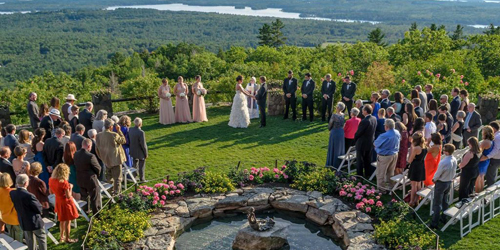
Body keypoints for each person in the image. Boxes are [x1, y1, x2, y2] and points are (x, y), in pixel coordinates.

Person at [10, 174, 47, 250]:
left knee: (30, 240)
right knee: (41, 239)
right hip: (34, 221)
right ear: (26, 183)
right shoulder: (29, 195)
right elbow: (38, 208)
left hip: (23, 221)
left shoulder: (12, 193)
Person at [49, 164, 79, 243]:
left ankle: (62, 236)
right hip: (66, 203)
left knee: (61, 220)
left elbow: (51, 192)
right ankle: (67, 239)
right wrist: (71, 188)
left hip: (58, 201)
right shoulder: (64, 183)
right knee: (68, 221)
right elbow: (68, 196)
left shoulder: (51, 180)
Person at [429, 144, 457, 230]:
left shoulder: (444, 162)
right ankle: (444, 218)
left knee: (437, 203)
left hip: (441, 182)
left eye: (444, 150)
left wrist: (434, 179)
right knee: (445, 201)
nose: (443, 151)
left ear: (447, 152)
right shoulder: (454, 159)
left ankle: (434, 223)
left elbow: (438, 174)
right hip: (448, 181)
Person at [96, 118, 126, 194]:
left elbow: (97, 149)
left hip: (106, 159)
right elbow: (123, 140)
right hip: (116, 160)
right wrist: (119, 130)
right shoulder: (114, 134)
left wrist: (102, 158)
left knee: (109, 177)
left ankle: (110, 190)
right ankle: (117, 193)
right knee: (118, 178)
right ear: (111, 127)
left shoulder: (98, 135)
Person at [74, 139, 102, 214]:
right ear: (89, 146)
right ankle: (96, 214)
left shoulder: (76, 154)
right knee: (95, 197)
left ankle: (85, 210)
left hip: (80, 178)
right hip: (90, 179)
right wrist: (96, 175)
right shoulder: (90, 156)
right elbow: (98, 168)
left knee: (84, 196)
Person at [374, 119, 400, 193]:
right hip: (394, 154)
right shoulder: (397, 132)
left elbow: (375, 144)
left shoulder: (384, 135)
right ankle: (390, 187)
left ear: (387, 126)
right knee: (390, 172)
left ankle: (381, 189)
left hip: (384, 156)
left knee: (380, 173)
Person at [354, 105, 377, 178]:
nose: (362, 111)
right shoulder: (374, 118)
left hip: (362, 143)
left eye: (363, 110)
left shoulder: (364, 121)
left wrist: (355, 138)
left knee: (360, 160)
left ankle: (359, 175)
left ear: (366, 111)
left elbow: (358, 133)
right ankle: (367, 173)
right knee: (368, 159)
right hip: (370, 142)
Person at [0, 173, 23, 242]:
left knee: (11, 235)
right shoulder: (14, 191)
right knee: (19, 235)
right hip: (16, 219)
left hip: (5, 218)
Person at [458, 137, 481, 204]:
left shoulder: (470, 153)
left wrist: (459, 166)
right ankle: (469, 200)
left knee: (463, 188)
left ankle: (462, 202)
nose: (468, 145)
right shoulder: (479, 151)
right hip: (475, 171)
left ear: (471, 144)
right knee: (470, 187)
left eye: (469, 144)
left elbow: (463, 164)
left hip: (467, 172)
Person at [408, 132, 427, 207]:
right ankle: (417, 200)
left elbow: (410, 160)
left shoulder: (416, 148)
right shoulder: (424, 146)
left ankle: (412, 201)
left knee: (413, 186)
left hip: (415, 166)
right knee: (419, 184)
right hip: (421, 165)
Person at [326, 102, 346, 169]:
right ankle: (338, 163)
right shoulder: (343, 115)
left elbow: (330, 124)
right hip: (341, 132)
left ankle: (331, 163)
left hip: (335, 132)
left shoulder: (334, 115)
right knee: (339, 147)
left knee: (333, 147)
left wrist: (329, 129)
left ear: (338, 108)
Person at [476, 126, 494, 193]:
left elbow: (479, 151)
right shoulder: (491, 141)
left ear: (486, 133)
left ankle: (477, 194)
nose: (482, 133)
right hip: (486, 161)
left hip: (481, 161)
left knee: (478, 179)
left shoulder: (485, 142)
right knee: (482, 177)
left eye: (483, 132)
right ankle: (480, 194)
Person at [129, 118, 148, 182]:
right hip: (140, 151)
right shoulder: (141, 132)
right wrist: (146, 153)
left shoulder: (130, 130)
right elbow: (143, 144)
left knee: (134, 164)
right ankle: (142, 178)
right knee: (141, 165)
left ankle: (134, 176)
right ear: (140, 124)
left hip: (132, 150)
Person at [483, 121, 500, 187]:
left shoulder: (497, 138)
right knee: (492, 174)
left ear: (493, 128)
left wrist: (487, 156)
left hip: (495, 159)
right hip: (497, 158)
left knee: (490, 176)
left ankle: (490, 193)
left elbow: (496, 150)